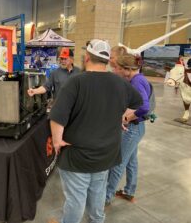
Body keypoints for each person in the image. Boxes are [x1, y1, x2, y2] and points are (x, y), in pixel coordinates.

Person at [48, 39, 143, 223]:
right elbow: (139, 103)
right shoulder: (120, 83)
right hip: (106, 154)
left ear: (87, 58)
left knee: (76, 199)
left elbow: (57, 117)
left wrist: (57, 141)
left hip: (78, 156)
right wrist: (122, 116)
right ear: (107, 61)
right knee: (98, 193)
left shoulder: (75, 82)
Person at [106, 53, 151, 206]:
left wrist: (128, 117)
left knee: (118, 163)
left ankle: (106, 196)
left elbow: (145, 107)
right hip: (137, 128)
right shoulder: (137, 79)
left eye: (118, 68)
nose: (115, 71)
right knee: (131, 161)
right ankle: (129, 191)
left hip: (132, 129)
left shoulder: (136, 82)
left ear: (127, 69)